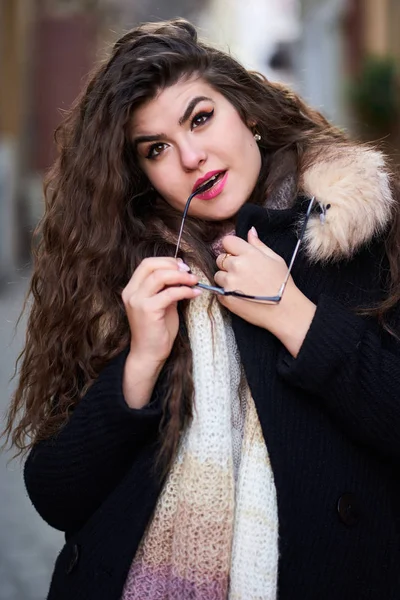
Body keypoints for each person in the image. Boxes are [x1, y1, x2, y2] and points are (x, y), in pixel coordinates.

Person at [3, 17, 400, 600]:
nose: (191, 156)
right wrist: (140, 362)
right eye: (157, 148)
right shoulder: (125, 273)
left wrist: (295, 315)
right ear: (139, 174)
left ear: (250, 114)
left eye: (201, 118)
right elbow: (55, 495)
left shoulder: (359, 233)